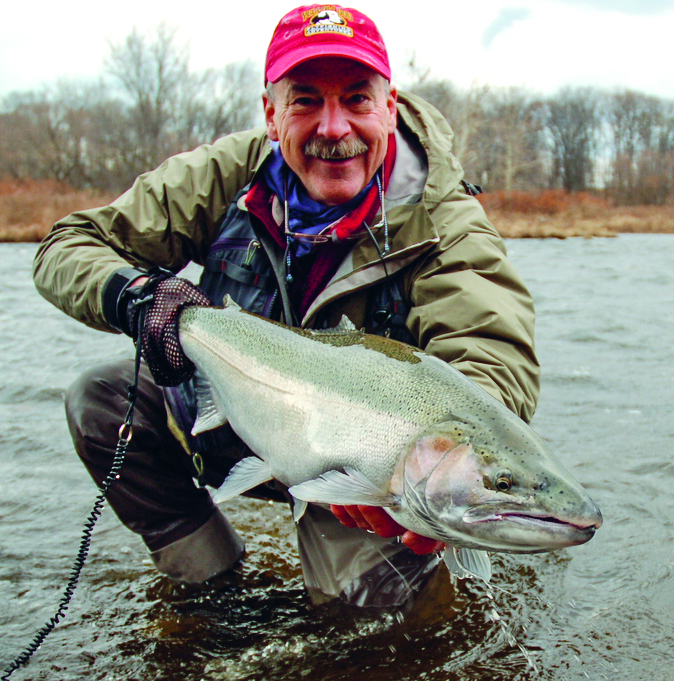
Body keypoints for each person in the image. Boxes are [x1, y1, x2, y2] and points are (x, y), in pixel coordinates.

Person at [33, 4, 539, 607]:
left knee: (367, 630)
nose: (333, 127)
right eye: (305, 101)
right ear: (271, 114)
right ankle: (210, 590)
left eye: (356, 99)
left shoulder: (445, 223)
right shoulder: (225, 175)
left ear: (389, 106)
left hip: (362, 468)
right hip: (235, 411)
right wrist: (138, 299)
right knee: (102, 400)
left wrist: (423, 469)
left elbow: (490, 360)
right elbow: (67, 246)